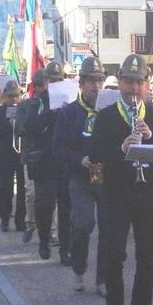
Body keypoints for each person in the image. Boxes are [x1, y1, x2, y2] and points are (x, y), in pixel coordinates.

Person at [88, 53, 153, 305]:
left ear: (146, 85)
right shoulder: (106, 116)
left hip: (147, 194)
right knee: (115, 256)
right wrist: (121, 148)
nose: (134, 89)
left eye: (139, 83)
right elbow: (95, 153)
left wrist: (152, 137)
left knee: (147, 258)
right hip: (115, 194)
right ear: (120, 83)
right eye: (129, 82)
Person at [54, 56, 107, 293]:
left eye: (99, 81)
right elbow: (59, 148)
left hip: (108, 178)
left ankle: (103, 279)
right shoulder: (69, 113)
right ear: (82, 84)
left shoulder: (109, 111)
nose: (96, 86)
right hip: (80, 177)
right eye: (91, 81)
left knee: (109, 228)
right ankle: (78, 269)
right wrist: (80, 160)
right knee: (83, 224)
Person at [18, 62, 69, 261]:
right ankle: (43, 240)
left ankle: (66, 249)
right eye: (52, 80)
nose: (56, 84)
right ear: (46, 82)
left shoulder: (69, 101)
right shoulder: (37, 103)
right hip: (45, 162)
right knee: (44, 205)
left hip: (64, 161)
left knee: (66, 207)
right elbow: (28, 126)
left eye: (59, 80)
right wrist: (50, 113)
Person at [0, 79, 26, 232]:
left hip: (20, 154)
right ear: (5, 97)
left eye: (16, 96)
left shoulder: (24, 109)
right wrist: (8, 121)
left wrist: (19, 122)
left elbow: (28, 129)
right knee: (5, 189)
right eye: (10, 96)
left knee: (23, 190)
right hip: (4, 156)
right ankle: (5, 218)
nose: (13, 99)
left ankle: (20, 220)